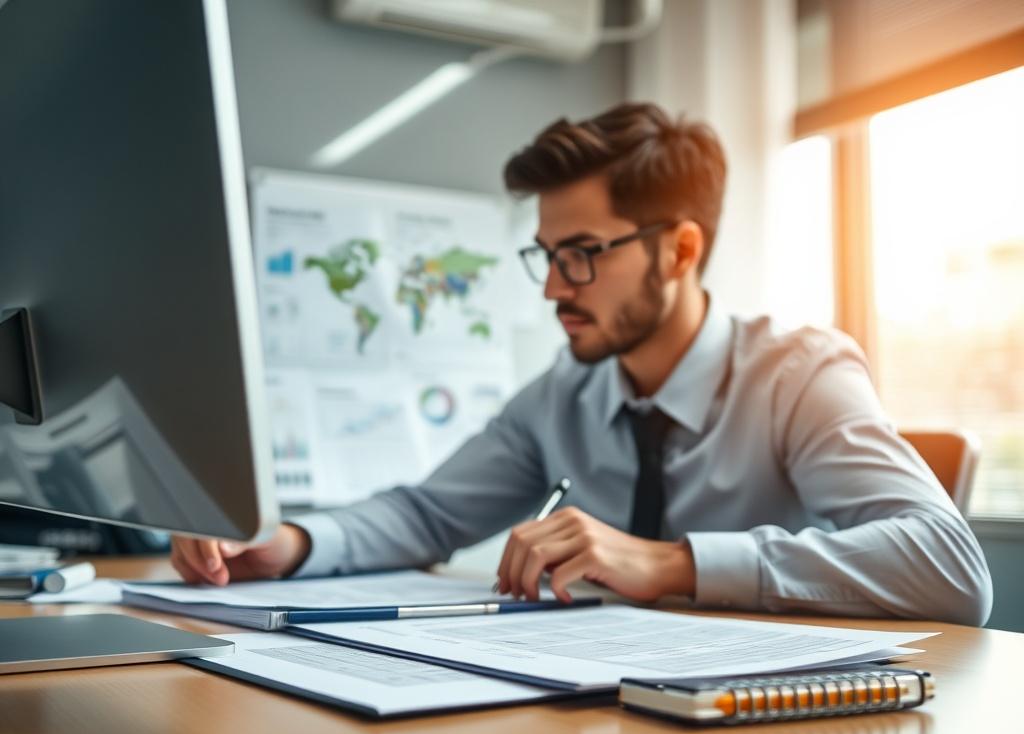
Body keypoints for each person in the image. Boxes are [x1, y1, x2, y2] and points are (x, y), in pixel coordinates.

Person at [170, 103, 992, 625]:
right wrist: (290, 542)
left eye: (583, 255)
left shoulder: (800, 375)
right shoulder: (564, 392)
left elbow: (952, 568)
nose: (554, 288)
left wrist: (671, 563)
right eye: (547, 257)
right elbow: (428, 517)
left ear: (680, 249)